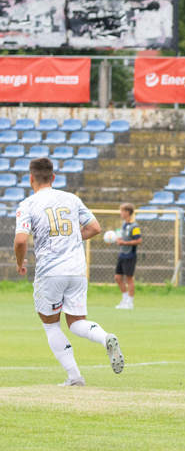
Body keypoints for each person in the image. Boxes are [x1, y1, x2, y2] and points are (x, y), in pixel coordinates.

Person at [13, 157, 124, 387]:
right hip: (77, 270)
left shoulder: (27, 204)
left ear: (31, 178)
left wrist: (20, 261)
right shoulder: (71, 199)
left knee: (51, 325)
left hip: (50, 272)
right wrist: (71, 239)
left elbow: (20, 239)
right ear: (53, 177)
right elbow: (95, 228)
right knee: (76, 322)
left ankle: (75, 377)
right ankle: (105, 338)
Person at [114, 202, 142, 309]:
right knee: (117, 277)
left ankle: (130, 302)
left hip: (130, 255)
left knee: (129, 279)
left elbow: (139, 240)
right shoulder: (124, 224)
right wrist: (117, 240)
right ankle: (124, 299)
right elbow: (123, 238)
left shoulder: (134, 226)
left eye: (122, 211)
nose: (120, 213)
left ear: (127, 212)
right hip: (122, 254)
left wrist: (124, 243)